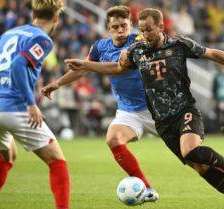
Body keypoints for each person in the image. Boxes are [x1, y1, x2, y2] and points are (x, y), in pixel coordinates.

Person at [65, 8, 224, 209]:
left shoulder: (179, 44)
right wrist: (85, 65)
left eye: (149, 29)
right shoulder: (137, 51)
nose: (145, 35)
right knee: (200, 167)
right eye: (142, 30)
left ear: (161, 26)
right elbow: (116, 69)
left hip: (184, 110)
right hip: (162, 122)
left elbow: (213, 53)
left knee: (190, 150)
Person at [41, 5, 161, 203]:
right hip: (128, 111)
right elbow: (81, 70)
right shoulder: (100, 47)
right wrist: (57, 83)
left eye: (124, 25)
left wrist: (86, 64)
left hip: (156, 108)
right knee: (113, 139)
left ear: (131, 25)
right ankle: (146, 188)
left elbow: (117, 68)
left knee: (189, 154)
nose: (120, 30)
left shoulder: (139, 41)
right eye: (115, 27)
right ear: (108, 27)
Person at [0, 1, 69, 209]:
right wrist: (30, 103)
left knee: (7, 156)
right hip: (14, 107)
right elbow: (17, 65)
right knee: (57, 161)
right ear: (57, 18)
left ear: (33, 14)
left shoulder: (9, 34)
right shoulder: (43, 39)